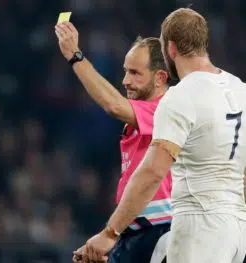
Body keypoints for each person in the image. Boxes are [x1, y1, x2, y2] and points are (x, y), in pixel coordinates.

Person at [78, 8, 246, 263]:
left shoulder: (181, 96)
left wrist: (110, 233)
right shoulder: (240, 89)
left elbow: (153, 172)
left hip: (199, 227)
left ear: (171, 49)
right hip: (237, 230)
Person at [55, 22, 173, 263]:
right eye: (126, 71)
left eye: (135, 73)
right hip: (138, 232)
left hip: (159, 228)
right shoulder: (147, 115)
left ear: (160, 78)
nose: (125, 81)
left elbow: (114, 105)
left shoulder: (167, 109)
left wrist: (75, 57)